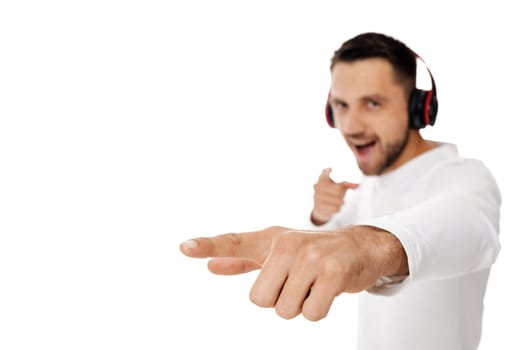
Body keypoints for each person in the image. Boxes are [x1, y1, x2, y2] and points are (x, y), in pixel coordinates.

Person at [179, 32, 501, 350]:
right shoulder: (367, 187)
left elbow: (471, 227)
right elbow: (326, 247)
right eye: (341, 106)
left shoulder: (465, 177)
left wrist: (367, 246)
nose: (351, 126)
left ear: (419, 108)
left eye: (372, 103)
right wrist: (321, 215)